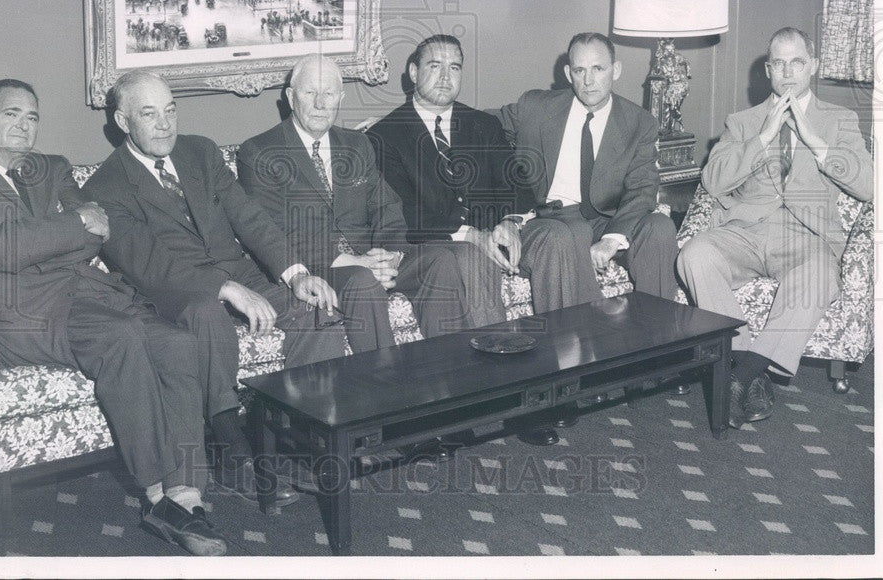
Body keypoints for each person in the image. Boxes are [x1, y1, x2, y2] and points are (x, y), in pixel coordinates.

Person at [0, 80, 229, 556]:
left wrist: (21, 249)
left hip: (88, 293)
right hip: (25, 313)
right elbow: (9, 245)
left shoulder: (54, 168)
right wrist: (56, 232)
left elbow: (97, 233)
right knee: (122, 336)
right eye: (11, 114)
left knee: (177, 343)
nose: (24, 126)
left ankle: (186, 494)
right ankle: (155, 494)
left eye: (32, 117)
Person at [81, 71, 347, 500]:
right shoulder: (105, 186)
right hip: (172, 292)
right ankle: (232, 449)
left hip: (237, 272)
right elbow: (147, 265)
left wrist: (296, 274)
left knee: (317, 306)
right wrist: (222, 288)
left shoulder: (200, 152)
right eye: (149, 114)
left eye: (170, 110)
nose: (165, 124)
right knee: (205, 313)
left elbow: (249, 217)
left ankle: (306, 441)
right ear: (122, 121)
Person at [237, 55, 487, 459]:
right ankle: (385, 414)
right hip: (315, 268)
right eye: (310, 93)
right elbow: (270, 232)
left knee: (440, 259)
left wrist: (386, 253)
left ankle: (449, 398)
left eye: (330, 93)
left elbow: (386, 208)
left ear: (341, 97)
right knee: (360, 282)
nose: (320, 103)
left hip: (368, 259)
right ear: (289, 98)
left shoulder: (357, 144)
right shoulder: (259, 153)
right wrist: (352, 263)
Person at [367, 34, 597, 447]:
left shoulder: (482, 124)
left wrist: (508, 222)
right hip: (442, 240)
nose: (444, 76)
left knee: (556, 237)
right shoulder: (384, 136)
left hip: (499, 230)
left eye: (454, 67)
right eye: (434, 66)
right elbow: (404, 214)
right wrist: (472, 234)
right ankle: (512, 395)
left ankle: (560, 382)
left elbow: (519, 191)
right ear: (413, 73)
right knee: (471, 260)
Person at [677, 27, 873, 429]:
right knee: (694, 255)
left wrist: (816, 142)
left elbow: (869, 185)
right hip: (746, 232)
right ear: (768, 70)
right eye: (779, 63)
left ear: (813, 66)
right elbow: (713, 181)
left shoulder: (840, 120)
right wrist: (763, 137)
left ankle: (742, 373)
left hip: (806, 238)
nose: (788, 72)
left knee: (820, 275)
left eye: (797, 62)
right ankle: (751, 366)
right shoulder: (743, 120)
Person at [498, 32, 679, 309]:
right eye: (580, 70)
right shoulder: (535, 107)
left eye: (598, 69)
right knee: (574, 233)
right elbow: (479, 130)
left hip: (607, 218)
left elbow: (643, 187)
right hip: (553, 219)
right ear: (568, 73)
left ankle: (658, 333)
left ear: (615, 70)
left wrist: (612, 238)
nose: (589, 80)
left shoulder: (638, 122)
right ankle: (592, 335)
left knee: (659, 227)